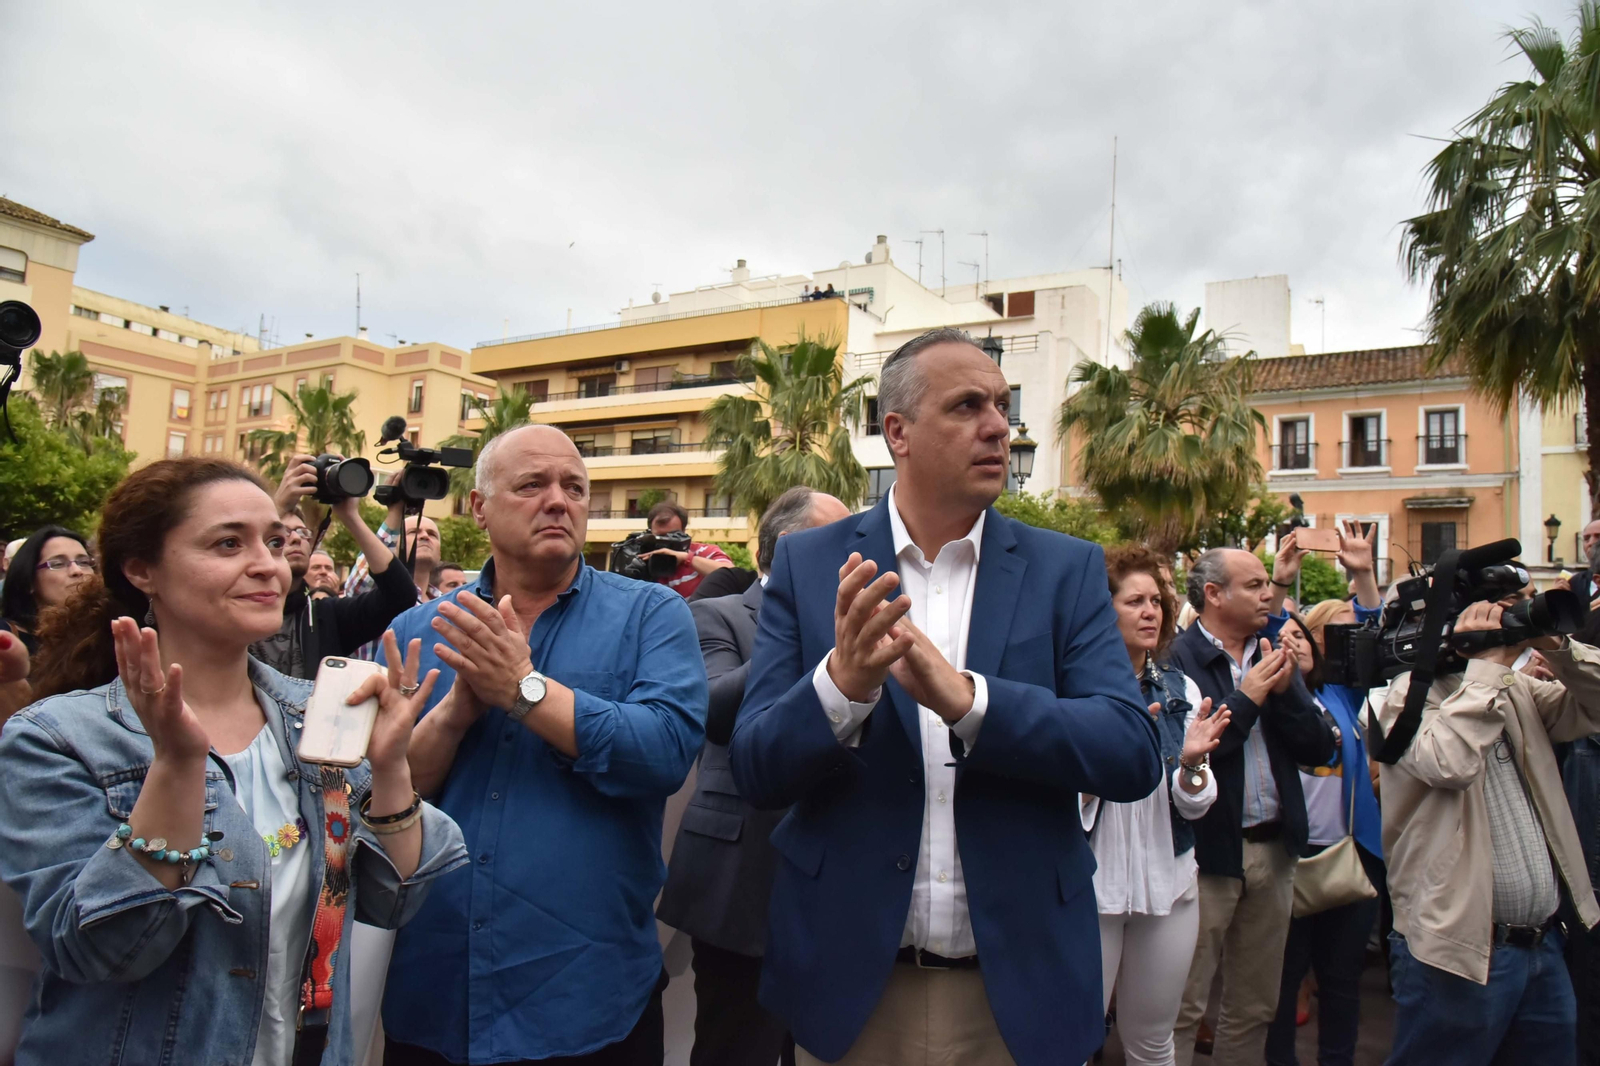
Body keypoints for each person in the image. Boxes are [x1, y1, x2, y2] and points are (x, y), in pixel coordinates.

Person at [729, 327, 1162, 1066]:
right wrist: (843, 688)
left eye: (1001, 405)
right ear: (897, 431)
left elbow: (1129, 752)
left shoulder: (1065, 569)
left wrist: (969, 702)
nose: (999, 425)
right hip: (850, 993)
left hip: (1017, 996)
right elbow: (756, 768)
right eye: (967, 406)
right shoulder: (810, 563)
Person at [0, 456, 466, 1066]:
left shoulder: (317, 715)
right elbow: (104, 950)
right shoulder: (56, 737)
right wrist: (176, 766)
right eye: (228, 543)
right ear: (143, 570)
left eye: (275, 541)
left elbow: (391, 902)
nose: (268, 564)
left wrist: (389, 769)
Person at [378, 424, 707, 1066]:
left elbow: (665, 750)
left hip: (588, 996)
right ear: (479, 507)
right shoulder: (418, 632)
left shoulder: (651, 615)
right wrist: (453, 716)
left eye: (574, 487)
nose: (559, 500)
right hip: (438, 992)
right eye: (532, 484)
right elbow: (388, 798)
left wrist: (525, 693)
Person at [659, 486, 851, 1066]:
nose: (857, 554)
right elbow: (713, 709)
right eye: (839, 542)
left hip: (838, 875)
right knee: (734, 1047)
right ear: (792, 549)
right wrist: (808, 642)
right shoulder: (714, 613)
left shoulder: (857, 623)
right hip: (741, 877)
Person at [1377, 583, 1600, 1066]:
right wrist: (1488, 666)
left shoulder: (1512, 689)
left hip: (1544, 944)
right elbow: (1450, 763)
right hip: (1458, 956)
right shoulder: (1398, 699)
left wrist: (1555, 645)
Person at [1167, 544, 1337, 1066]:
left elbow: (1319, 750)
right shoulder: (1179, 659)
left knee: (1256, 1003)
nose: (1269, 594)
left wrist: (1284, 692)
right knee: (1182, 1005)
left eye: (1268, 583)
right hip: (1207, 859)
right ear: (1214, 595)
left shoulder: (1271, 653)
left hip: (1275, 851)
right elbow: (1186, 761)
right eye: (1255, 585)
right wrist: (1250, 699)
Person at [1087, 546, 1229, 1066]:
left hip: (1168, 879)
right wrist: (1107, 759)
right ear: (1104, 610)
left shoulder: (1181, 687)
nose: (1151, 611)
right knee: (1076, 1039)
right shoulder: (1074, 686)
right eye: (1135, 601)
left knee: (1153, 1041)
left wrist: (1192, 765)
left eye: (1157, 601)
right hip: (1092, 883)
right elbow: (1060, 794)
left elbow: (1193, 807)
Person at [1266, 608, 1385, 1066]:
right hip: (1289, 857)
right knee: (1284, 978)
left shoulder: (1341, 695)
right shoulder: (1268, 700)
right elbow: (1258, 621)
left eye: (1302, 635)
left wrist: (1360, 572)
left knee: (1341, 981)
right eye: (1285, 636)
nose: (1293, 642)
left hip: (1349, 856)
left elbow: (1368, 630)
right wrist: (1279, 584)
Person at [248, 456, 419, 681]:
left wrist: (350, 517)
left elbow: (401, 596)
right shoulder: (232, 608)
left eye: (302, 532)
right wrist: (278, 506)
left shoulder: (327, 618)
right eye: (280, 535)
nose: (296, 539)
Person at [0, 526, 95, 655]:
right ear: (29, 581)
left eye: (84, 562)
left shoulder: (106, 631)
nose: (77, 571)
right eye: (58, 564)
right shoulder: (6, 636)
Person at [641, 501, 733, 599]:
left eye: (672, 535)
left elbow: (732, 575)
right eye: (660, 537)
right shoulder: (642, 557)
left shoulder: (704, 552)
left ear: (683, 532)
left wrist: (687, 558)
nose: (665, 542)